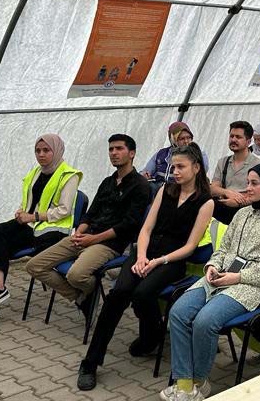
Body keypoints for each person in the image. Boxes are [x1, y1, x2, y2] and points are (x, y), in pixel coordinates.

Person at [78, 145, 213, 390]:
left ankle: (151, 336)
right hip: (145, 252)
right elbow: (146, 229)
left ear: (196, 168)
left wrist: (158, 262)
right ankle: (90, 362)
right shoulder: (164, 190)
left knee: (142, 293)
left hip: (172, 260)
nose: (175, 172)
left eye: (181, 167)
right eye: (174, 167)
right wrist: (140, 257)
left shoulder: (205, 202)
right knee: (118, 294)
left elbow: (191, 246)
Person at [162, 164, 260, 401]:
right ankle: (184, 383)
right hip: (221, 277)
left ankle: (199, 383)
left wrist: (238, 277)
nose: (248, 188)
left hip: (252, 286)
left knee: (205, 321)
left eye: (255, 183)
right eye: (248, 182)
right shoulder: (243, 213)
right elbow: (223, 248)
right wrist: (212, 266)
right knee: (178, 312)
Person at [24, 135, 152, 323]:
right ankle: (84, 297)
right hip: (86, 236)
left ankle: (87, 292)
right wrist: (80, 231)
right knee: (34, 266)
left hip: (110, 243)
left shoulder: (141, 186)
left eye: (119, 149)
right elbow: (90, 213)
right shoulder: (107, 182)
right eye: (111, 149)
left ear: (132, 153)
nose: (114, 153)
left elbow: (128, 225)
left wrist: (93, 239)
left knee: (76, 275)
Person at [0, 134, 84, 325]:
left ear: (57, 150)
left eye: (46, 150)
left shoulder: (68, 175)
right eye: (38, 151)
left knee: (1, 248)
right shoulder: (36, 173)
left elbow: (64, 210)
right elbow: (32, 201)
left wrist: (34, 216)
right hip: (32, 226)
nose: (41, 155)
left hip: (53, 231)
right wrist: (22, 212)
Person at [210, 121, 260, 224]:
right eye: (231, 136)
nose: (233, 139)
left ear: (248, 142)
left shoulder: (258, 164)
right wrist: (227, 192)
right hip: (222, 206)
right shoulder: (223, 162)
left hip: (246, 212)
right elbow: (213, 189)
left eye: (238, 137)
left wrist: (238, 202)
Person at [142, 122, 210, 192]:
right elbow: (145, 171)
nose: (186, 141)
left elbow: (201, 175)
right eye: (182, 139)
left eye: (189, 138)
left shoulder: (199, 155)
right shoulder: (161, 154)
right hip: (158, 190)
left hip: (180, 190)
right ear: (173, 140)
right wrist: (145, 175)